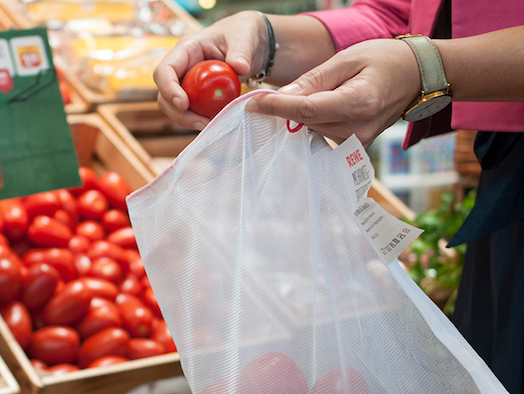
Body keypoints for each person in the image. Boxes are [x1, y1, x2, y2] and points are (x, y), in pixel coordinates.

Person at [153, 1, 524, 392]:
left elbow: (417, 45)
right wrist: (265, 38)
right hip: (504, 195)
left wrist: (427, 67)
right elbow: (403, 16)